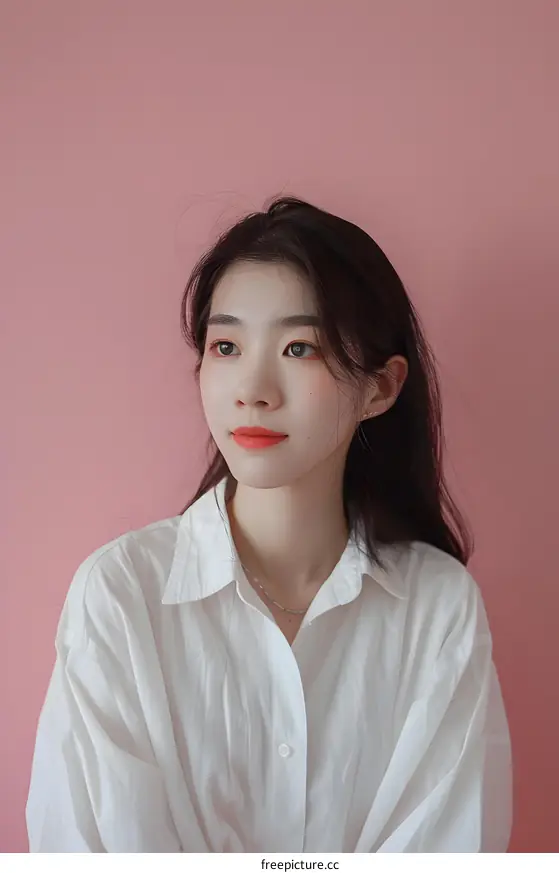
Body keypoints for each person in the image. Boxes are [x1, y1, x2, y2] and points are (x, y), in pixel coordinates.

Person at [26, 195, 512, 852]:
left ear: (381, 387)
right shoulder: (120, 597)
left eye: (298, 347)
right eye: (226, 344)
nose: (251, 386)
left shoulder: (438, 607)